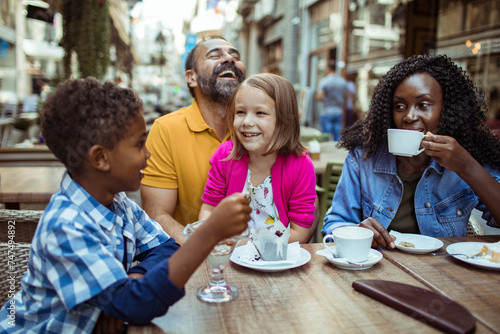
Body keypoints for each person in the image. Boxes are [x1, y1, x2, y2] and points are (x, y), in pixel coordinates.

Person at [0, 78, 251, 333]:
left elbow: (166, 245)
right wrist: (209, 233)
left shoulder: (118, 202)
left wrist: (134, 279)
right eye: (139, 143)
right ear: (101, 158)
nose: (148, 154)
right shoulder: (65, 226)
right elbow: (138, 305)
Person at [322, 54, 500, 249]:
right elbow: (335, 223)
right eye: (400, 106)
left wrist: (466, 166)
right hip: (377, 270)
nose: (409, 116)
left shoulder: (464, 158)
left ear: (447, 110)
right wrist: (357, 232)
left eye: (423, 105)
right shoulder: (363, 157)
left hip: (442, 273)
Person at [141, 35, 246, 243]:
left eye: (235, 55)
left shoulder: (261, 128)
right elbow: (158, 215)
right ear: (192, 78)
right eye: (215, 55)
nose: (229, 59)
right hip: (192, 260)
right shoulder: (166, 130)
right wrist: (206, 252)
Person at [198, 73, 317, 243]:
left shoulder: (301, 166)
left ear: (284, 120)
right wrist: (208, 237)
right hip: (231, 259)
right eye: (240, 112)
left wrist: (246, 243)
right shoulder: (224, 156)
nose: (247, 121)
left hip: (277, 262)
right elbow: (209, 209)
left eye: (260, 113)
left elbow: (300, 232)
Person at [315, 60, 348, 141]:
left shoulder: (324, 81)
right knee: (337, 137)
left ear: (328, 69)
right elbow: (346, 96)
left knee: (326, 137)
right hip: (338, 112)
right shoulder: (342, 81)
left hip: (327, 111)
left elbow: (319, 97)